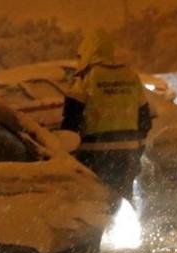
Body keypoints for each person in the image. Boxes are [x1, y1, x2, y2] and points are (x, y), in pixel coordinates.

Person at [62, 29, 152, 200]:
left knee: (97, 200)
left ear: (88, 51)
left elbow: (70, 121)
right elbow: (145, 118)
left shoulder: (86, 78)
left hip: (95, 153)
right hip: (128, 152)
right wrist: (136, 145)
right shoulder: (131, 76)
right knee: (124, 198)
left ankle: (103, 226)